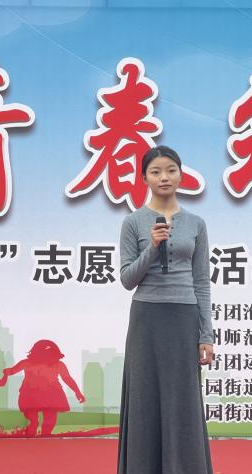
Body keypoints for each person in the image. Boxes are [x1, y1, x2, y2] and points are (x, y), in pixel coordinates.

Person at [117, 146, 213, 474]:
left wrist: (206, 334)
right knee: (144, 398)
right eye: (155, 171)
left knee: (183, 400)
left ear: (181, 175)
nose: (164, 177)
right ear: (144, 178)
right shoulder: (133, 222)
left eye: (171, 170)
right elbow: (127, 279)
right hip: (146, 319)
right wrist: (152, 247)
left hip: (184, 318)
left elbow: (201, 282)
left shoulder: (196, 224)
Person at [3, 339, 84, 437]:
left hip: (50, 394)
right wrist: (7, 371)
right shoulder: (27, 363)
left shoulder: (58, 364)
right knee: (34, 419)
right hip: (33, 393)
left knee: (49, 418)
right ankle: (34, 433)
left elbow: (67, 378)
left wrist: (77, 392)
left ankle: (45, 435)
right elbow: (12, 371)